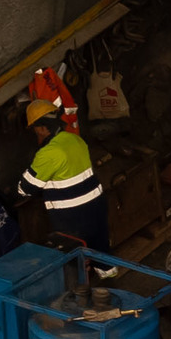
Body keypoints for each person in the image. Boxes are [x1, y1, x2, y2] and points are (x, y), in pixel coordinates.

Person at [21, 68, 109, 252]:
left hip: (72, 217)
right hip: (97, 207)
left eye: (35, 128)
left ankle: (84, 281)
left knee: (75, 259)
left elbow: (25, 189)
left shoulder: (48, 153)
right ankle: (109, 278)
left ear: (42, 128)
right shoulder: (76, 140)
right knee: (101, 250)